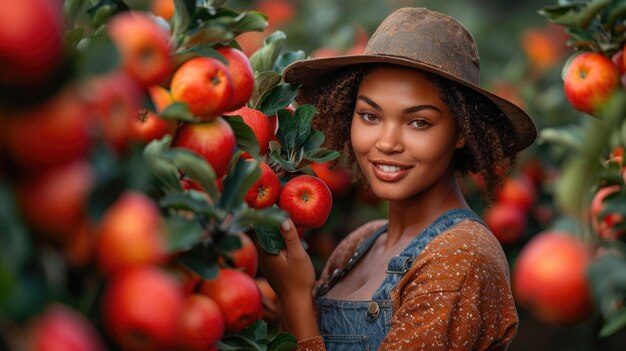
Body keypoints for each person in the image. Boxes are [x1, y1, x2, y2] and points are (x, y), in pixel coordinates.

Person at [256, 7, 537, 351]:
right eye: (370, 116)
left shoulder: (461, 259)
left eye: (418, 122)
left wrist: (295, 297)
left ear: (461, 131)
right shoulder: (358, 246)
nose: (387, 142)